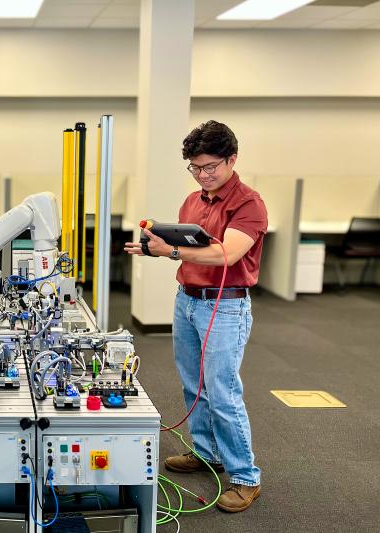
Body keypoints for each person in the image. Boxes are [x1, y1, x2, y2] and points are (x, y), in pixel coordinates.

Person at [124, 120, 266, 513]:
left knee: (223, 393)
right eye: (195, 168)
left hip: (225, 305)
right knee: (194, 385)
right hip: (186, 299)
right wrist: (158, 243)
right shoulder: (193, 200)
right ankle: (207, 453)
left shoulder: (249, 204)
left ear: (232, 160)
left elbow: (226, 254)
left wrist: (169, 253)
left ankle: (245, 477)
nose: (203, 176)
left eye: (210, 168)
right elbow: (190, 245)